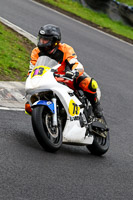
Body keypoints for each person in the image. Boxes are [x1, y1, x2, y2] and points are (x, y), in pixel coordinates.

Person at [26, 24, 103, 118]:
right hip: (46, 80)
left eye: (45, 40)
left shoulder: (66, 49)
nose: (42, 42)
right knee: (28, 107)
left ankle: (95, 105)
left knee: (88, 82)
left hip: (66, 79)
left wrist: (74, 72)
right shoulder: (36, 52)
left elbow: (75, 63)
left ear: (54, 41)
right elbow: (32, 69)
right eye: (41, 39)